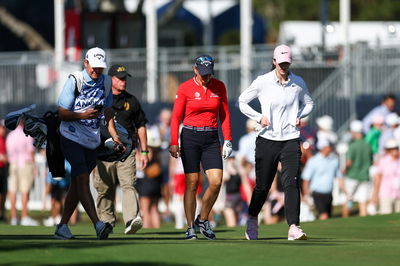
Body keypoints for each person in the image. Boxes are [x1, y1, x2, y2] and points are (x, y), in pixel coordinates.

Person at [238, 44, 314, 240]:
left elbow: (309, 103)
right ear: (274, 62)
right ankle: (252, 218)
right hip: (267, 139)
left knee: (291, 182)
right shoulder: (262, 81)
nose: (283, 66)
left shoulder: (297, 83)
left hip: (290, 139)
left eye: (286, 62)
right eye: (280, 62)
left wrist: (300, 115)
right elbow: (242, 101)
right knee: (262, 186)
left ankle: (294, 227)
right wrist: (258, 117)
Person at [55, 47, 123, 240]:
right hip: (70, 136)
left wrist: (114, 135)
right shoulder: (75, 80)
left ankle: (61, 227)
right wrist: (82, 115)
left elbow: (108, 111)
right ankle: (98, 224)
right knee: (83, 179)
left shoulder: (107, 82)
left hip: (92, 139)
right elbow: (61, 113)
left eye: (100, 68)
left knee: (77, 185)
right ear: (86, 63)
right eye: (94, 67)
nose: (97, 71)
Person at [169, 54, 232, 240]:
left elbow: (225, 114)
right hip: (190, 136)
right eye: (203, 73)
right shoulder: (185, 88)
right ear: (195, 70)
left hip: (211, 137)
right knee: (192, 182)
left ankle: (203, 219)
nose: (206, 77)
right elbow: (175, 117)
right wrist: (174, 142)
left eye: (209, 73)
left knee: (216, 181)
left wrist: (228, 139)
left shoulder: (219, 86)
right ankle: (190, 227)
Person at [94, 64, 148, 235]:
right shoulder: (100, 98)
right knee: (104, 188)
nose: (123, 81)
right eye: (120, 78)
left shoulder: (131, 101)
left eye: (125, 78)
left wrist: (144, 151)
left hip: (127, 151)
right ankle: (106, 223)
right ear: (111, 79)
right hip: (103, 151)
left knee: (128, 185)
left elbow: (140, 126)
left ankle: (131, 219)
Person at [6, 120, 38, 226]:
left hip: (13, 163)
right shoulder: (27, 135)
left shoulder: (10, 135)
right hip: (25, 163)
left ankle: (14, 217)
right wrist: (35, 167)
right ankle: (24, 217)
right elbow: (31, 152)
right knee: (25, 191)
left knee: (13, 191)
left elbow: (9, 151)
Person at [339, 120, 373, 217]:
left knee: (348, 199)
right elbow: (371, 161)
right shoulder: (367, 145)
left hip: (352, 176)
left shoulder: (352, 145)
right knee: (363, 201)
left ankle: (344, 220)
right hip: (364, 176)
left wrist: (344, 169)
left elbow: (349, 162)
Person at [301, 139, 340, 220]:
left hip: (329, 193)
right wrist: (306, 194)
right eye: (327, 147)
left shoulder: (334, 160)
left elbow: (339, 177)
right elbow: (306, 180)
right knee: (324, 215)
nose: (329, 148)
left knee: (328, 216)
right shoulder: (313, 161)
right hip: (317, 193)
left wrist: (346, 192)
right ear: (322, 148)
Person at [371, 138, 400, 214]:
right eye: (391, 149)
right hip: (386, 193)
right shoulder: (383, 161)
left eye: (396, 148)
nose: (394, 151)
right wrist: (375, 194)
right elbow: (378, 178)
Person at [0, 120, 7, 222]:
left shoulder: (4, 140)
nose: (3, 130)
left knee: (3, 192)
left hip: (3, 168)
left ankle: (2, 213)